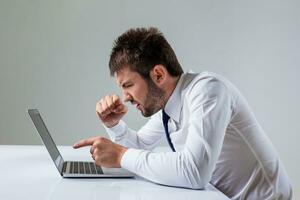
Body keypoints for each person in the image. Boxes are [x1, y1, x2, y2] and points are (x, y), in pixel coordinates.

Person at [73, 27, 293, 199]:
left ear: (158, 74)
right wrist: (114, 126)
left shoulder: (207, 90)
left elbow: (195, 171)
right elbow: (138, 147)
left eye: (128, 85)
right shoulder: (168, 105)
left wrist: (121, 155)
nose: (125, 97)